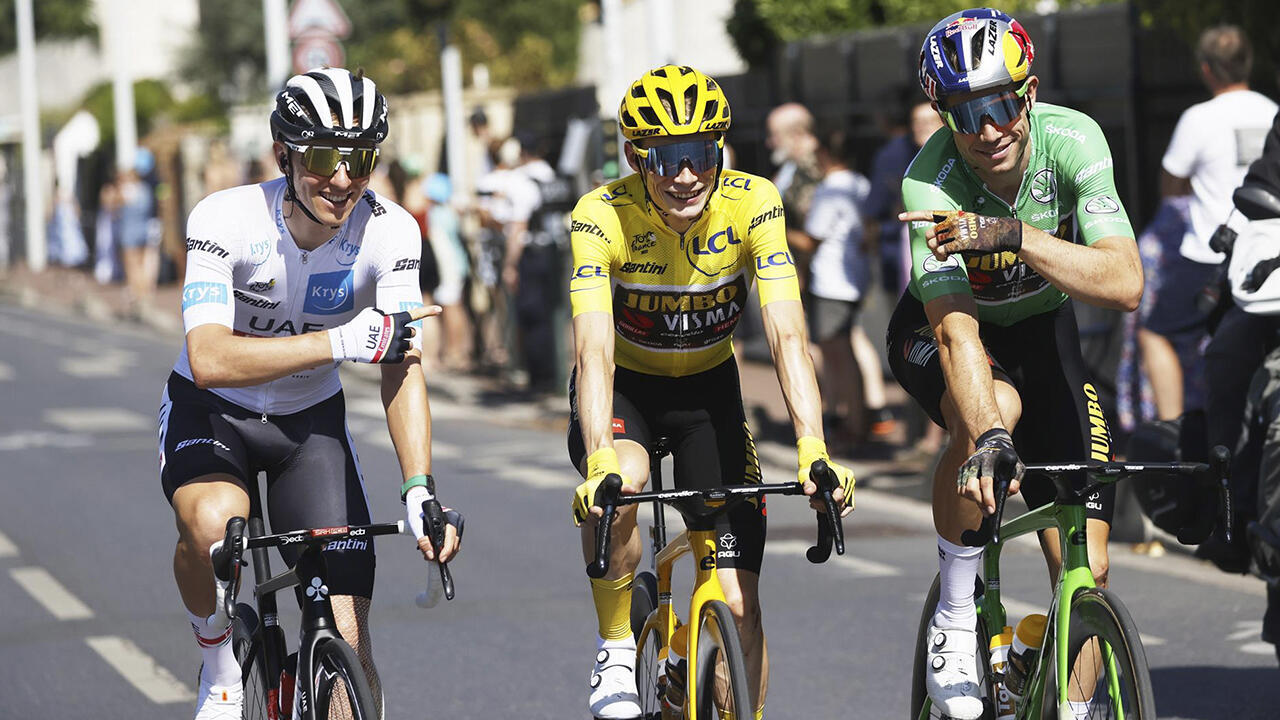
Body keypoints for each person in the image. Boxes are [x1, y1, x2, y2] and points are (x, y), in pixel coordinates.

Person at [160, 67, 462, 720]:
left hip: (308, 425)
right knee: (213, 524)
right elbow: (208, 358)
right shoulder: (225, 218)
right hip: (216, 413)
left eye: (359, 158)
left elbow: (400, 363)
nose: (343, 177)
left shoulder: (391, 232)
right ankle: (218, 666)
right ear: (284, 155)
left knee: (348, 637)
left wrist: (419, 488)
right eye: (323, 157)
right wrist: (342, 341)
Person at [567, 64, 856, 720]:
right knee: (625, 486)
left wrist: (814, 447)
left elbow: (786, 335)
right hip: (625, 392)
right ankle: (615, 645)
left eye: (699, 152)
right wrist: (601, 461)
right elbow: (592, 349)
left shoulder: (754, 202)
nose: (684, 174)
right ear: (635, 157)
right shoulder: (601, 213)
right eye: (664, 157)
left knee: (738, 605)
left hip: (710, 396)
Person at [886, 10, 1142, 719]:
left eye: (1002, 105)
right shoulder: (930, 182)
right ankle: (958, 609)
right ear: (942, 116)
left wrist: (1015, 235)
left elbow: (1124, 284)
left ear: (1028, 95)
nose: (989, 130)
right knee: (995, 416)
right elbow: (957, 337)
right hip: (951, 330)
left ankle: (1075, 707)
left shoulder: (1073, 140)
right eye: (966, 115)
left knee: (1086, 565)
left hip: (1045, 334)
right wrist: (990, 435)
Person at [1139, 25, 1277, 420]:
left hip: (1211, 255)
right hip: (1268, 257)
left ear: (1206, 70)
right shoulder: (1272, 112)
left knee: (1155, 332)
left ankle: (1171, 428)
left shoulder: (1198, 118)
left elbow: (1171, 185)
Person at [796, 124, 893, 450]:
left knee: (840, 355)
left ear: (824, 154)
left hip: (832, 280)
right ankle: (854, 420)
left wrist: (777, 229)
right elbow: (869, 233)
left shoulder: (830, 189)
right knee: (845, 351)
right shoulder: (860, 183)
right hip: (854, 277)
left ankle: (854, 425)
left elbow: (811, 240)